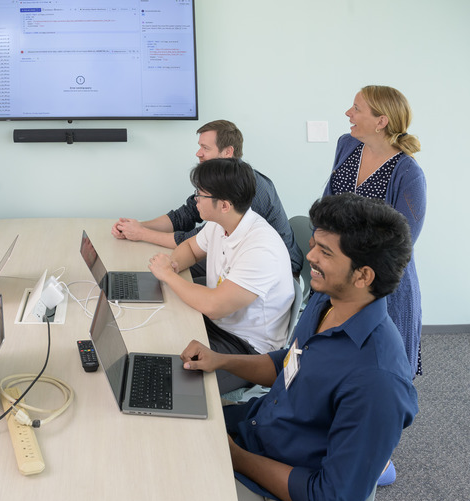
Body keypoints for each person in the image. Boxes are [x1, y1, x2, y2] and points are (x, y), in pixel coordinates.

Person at [181, 194, 418, 501]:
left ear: (363, 276)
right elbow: (290, 363)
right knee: (164, 434)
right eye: (313, 245)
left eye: (325, 252)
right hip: (257, 436)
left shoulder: (377, 380)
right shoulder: (328, 301)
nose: (309, 257)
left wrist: (235, 457)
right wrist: (221, 360)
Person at [148, 158, 294, 393]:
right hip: (217, 323)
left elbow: (215, 306)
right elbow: (191, 249)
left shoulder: (261, 248)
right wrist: (173, 264)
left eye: (201, 194)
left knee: (169, 385)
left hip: (245, 347)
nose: (195, 199)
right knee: (154, 332)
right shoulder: (220, 223)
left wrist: (168, 275)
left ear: (224, 205)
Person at [113, 120, 302, 277]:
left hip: (276, 270)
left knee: (167, 271)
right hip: (233, 255)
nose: (198, 153)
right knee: (163, 265)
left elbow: (196, 238)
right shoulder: (219, 181)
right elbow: (184, 216)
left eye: (205, 147)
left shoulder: (249, 188)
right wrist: (137, 227)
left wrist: (141, 234)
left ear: (228, 152)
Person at [324, 85, 426, 379]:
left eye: (356, 108)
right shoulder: (347, 145)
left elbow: (400, 244)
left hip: (379, 285)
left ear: (381, 121)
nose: (348, 113)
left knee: (380, 372)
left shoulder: (408, 173)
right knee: (333, 362)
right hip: (339, 272)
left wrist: (350, 263)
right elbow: (327, 204)